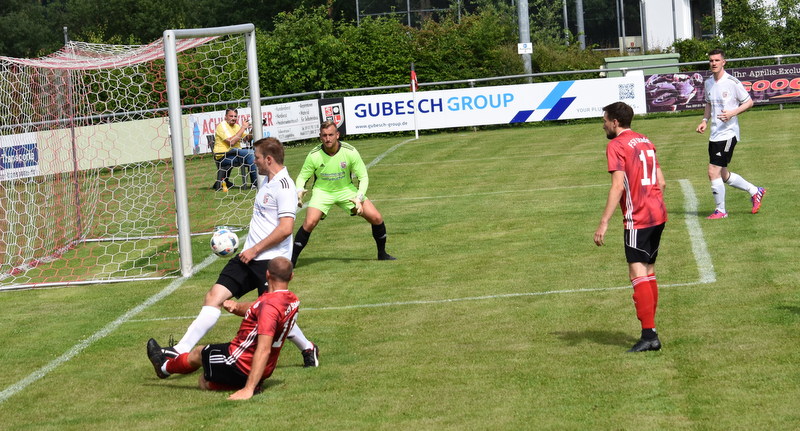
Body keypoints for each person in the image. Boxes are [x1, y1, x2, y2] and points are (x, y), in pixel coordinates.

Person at [150, 137, 319, 368]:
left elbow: (286, 229)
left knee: (272, 316)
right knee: (214, 296)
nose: (254, 161)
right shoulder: (267, 181)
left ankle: (308, 347)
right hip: (248, 257)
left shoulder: (284, 186)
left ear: (269, 159)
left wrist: (255, 249)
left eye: (257, 157)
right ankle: (179, 350)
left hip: (269, 262)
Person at [147, 257, 299, 400]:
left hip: (239, 362)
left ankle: (164, 367)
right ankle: (247, 382)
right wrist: (236, 307)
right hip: (266, 368)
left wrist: (248, 389)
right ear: (291, 276)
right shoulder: (291, 300)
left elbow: (264, 349)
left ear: (267, 274)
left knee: (199, 353)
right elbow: (258, 307)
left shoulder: (268, 307)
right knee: (207, 379)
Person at [594, 101, 667, 353]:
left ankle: (649, 335)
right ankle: (651, 330)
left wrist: (603, 222)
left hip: (638, 216)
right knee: (648, 270)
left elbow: (618, 186)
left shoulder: (616, 145)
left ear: (615, 122)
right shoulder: (645, 140)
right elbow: (661, 182)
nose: (603, 125)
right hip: (658, 213)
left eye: (604, 121)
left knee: (637, 272)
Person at [291, 121, 395, 266]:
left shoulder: (350, 151)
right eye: (324, 135)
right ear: (320, 136)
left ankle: (382, 254)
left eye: (331, 135)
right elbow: (302, 176)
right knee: (309, 223)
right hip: (322, 192)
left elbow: (363, 177)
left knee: (376, 218)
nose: (328, 138)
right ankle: (291, 262)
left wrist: (359, 197)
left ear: (337, 135)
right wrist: (299, 189)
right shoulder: (314, 155)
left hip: (346, 190)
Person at [695, 49, 765, 219]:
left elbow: (749, 102)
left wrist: (732, 113)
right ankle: (755, 191)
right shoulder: (708, 83)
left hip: (728, 134)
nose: (713, 63)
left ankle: (721, 210)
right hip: (715, 133)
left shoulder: (732, 82)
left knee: (713, 171)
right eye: (711, 60)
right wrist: (704, 120)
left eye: (717, 60)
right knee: (723, 174)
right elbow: (709, 104)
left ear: (723, 62)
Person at [214, 108, 258, 190]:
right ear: (225, 117)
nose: (233, 118)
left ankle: (259, 180)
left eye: (235, 116)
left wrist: (253, 128)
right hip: (224, 156)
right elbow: (231, 142)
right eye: (231, 116)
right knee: (250, 153)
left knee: (257, 153)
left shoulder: (237, 126)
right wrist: (243, 128)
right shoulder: (222, 126)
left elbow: (247, 138)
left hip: (235, 154)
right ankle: (255, 183)